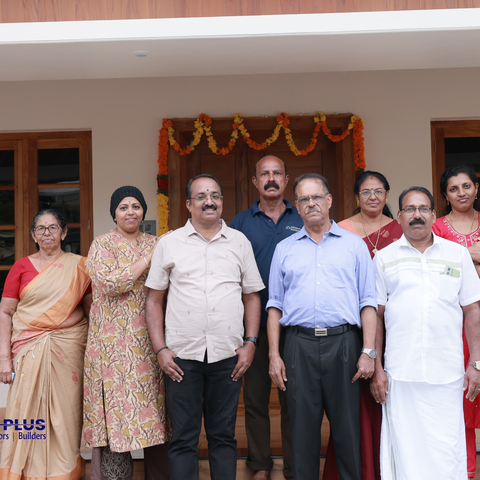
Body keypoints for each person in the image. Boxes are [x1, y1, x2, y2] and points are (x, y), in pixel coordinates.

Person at [145, 174, 264, 480]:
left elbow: (252, 296)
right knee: (183, 438)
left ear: (222, 201)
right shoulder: (169, 243)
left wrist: (250, 342)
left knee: (223, 436)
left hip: (228, 356)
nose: (209, 202)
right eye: (201, 197)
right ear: (189, 204)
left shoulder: (239, 242)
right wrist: (160, 350)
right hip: (181, 358)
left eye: (215, 196)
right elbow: (154, 300)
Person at [267, 173, 377, 480]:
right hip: (298, 346)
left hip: (344, 344)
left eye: (317, 197)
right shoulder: (285, 249)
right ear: (297, 206)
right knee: (301, 432)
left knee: (347, 430)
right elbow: (274, 305)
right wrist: (274, 355)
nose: (311, 203)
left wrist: (368, 351)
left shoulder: (354, 246)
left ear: (329, 200)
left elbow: (368, 301)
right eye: (304, 199)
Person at [372, 186, 480, 480]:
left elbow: (472, 310)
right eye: (409, 209)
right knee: (405, 446)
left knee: (447, 445)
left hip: (448, 372)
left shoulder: (457, 255)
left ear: (434, 214)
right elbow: (376, 316)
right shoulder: (383, 258)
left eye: (423, 209)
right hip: (400, 373)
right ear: (399, 216)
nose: (416, 215)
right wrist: (377, 367)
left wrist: (476, 363)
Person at [83, 186, 170, 480]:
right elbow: (110, 284)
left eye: (136, 206)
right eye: (123, 207)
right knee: (116, 412)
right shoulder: (102, 244)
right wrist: (148, 259)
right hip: (110, 348)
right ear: (114, 214)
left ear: (143, 211)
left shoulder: (157, 242)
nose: (130, 212)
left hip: (150, 341)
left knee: (154, 409)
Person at [0, 209, 91, 479]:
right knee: (25, 411)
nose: (47, 233)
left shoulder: (80, 267)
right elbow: (5, 312)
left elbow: (91, 311)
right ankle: (25, 471)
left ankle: (63, 472)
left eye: (53, 227)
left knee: (65, 415)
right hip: (28, 349)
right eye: (40, 228)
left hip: (68, 350)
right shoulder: (21, 266)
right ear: (33, 235)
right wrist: (4, 359)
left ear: (64, 233)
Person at [323, 170, 403, 480]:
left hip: (393, 324)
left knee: (391, 393)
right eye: (366, 191)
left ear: (387, 195)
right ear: (356, 196)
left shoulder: (400, 229)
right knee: (353, 401)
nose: (372, 196)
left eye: (378, 191)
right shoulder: (341, 229)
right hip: (351, 327)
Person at [230, 155, 302, 480]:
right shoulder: (239, 223)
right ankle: (259, 464)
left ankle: (294, 466)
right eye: (264, 174)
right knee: (255, 399)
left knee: (294, 400)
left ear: (286, 180)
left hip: (296, 325)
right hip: (254, 325)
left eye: (277, 174)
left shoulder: (302, 217)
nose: (271, 179)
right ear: (255, 181)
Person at [432, 165, 480, 478]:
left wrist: (463, 259)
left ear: (476, 188)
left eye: (466, 186)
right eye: (453, 188)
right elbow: (439, 271)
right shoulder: (436, 228)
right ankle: (467, 468)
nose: (461, 193)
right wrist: (472, 255)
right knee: (466, 389)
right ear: (445, 195)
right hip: (458, 320)